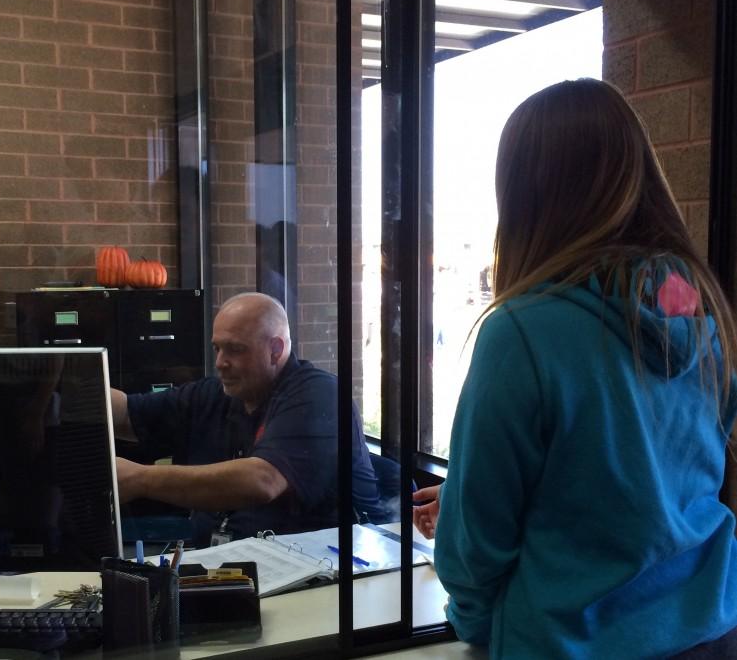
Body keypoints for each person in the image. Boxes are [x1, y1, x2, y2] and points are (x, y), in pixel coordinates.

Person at [413, 79, 737, 658]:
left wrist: (486, 625)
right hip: (713, 627)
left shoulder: (522, 331)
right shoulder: (704, 312)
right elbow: (661, 481)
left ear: (522, 196)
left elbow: (470, 557)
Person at [112, 291, 380, 546]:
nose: (219, 362)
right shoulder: (216, 394)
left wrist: (140, 478)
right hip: (230, 567)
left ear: (276, 350)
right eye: (217, 348)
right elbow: (127, 413)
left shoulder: (319, 395)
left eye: (235, 350)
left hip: (323, 572)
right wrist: (76, 386)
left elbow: (263, 480)